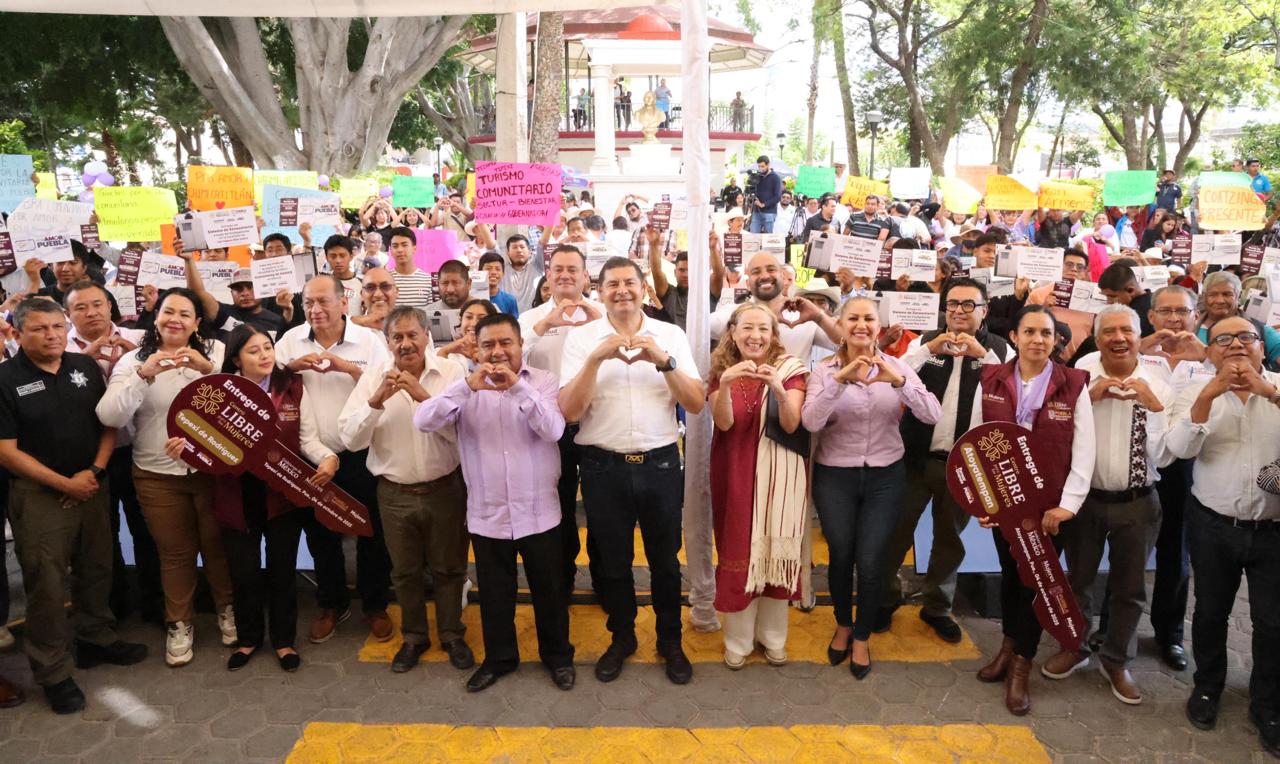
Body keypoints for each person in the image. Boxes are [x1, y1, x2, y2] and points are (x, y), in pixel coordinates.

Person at [559, 257, 704, 685]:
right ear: (599, 291)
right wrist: (594, 360)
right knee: (613, 563)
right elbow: (569, 411)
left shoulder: (670, 335)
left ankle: (670, 640)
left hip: (661, 464)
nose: (622, 290)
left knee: (665, 561)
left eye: (629, 283)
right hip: (602, 466)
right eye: (613, 284)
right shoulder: (582, 339)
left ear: (644, 289)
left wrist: (664, 361)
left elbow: (695, 403)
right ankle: (622, 637)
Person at [0, 298, 147, 713]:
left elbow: (108, 424)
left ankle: (95, 638)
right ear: (18, 333)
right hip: (39, 495)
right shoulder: (6, 379)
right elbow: (6, 451)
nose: (51, 335)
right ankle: (53, 672)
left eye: (57, 327)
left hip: (91, 483)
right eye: (39, 329)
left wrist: (95, 472)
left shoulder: (82, 367)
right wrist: (65, 483)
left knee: (97, 566)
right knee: (46, 584)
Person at [415, 313, 575, 692]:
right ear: (477, 350)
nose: (498, 352)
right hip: (487, 514)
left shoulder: (543, 382)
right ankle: (500, 659)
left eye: (506, 343)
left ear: (521, 346)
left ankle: (558, 657)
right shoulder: (463, 386)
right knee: (495, 596)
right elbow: (424, 420)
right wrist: (466, 388)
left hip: (539, 513)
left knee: (550, 593)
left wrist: (517, 389)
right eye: (488, 345)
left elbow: (553, 430)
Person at [171, 325, 337, 672]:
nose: (264, 355)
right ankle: (248, 639)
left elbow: (306, 440)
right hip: (235, 496)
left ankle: (284, 641)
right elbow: (202, 444)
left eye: (267, 347)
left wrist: (328, 458)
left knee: (282, 571)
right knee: (243, 572)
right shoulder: (218, 392)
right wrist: (183, 451)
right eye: (253, 350)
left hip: (282, 495)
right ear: (236, 359)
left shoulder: (291, 385)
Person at [96, 288, 237, 667]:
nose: (175, 319)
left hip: (213, 473)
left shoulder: (217, 352)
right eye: (168, 311)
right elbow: (109, 416)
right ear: (155, 317)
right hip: (156, 474)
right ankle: (179, 623)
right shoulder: (133, 360)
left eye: (185, 314)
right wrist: (143, 376)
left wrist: (208, 371)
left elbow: (243, 406)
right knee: (175, 554)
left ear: (197, 323)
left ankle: (228, 609)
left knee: (217, 546)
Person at [802, 296, 941, 679]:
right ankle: (842, 625)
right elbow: (811, 422)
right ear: (841, 325)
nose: (861, 325)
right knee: (841, 555)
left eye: (868, 319)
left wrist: (898, 383)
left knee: (870, 559)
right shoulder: (824, 371)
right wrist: (840, 381)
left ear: (879, 327)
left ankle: (862, 635)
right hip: (835, 476)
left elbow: (932, 414)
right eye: (853, 318)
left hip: (885, 477)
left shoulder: (897, 366)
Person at [1041, 305, 1171, 705]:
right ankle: (1075, 646)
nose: (1118, 338)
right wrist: (1087, 398)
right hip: (1086, 502)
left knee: (1130, 588)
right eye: (1109, 331)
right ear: (1096, 340)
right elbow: (1054, 429)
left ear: (1139, 335)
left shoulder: (1158, 380)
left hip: (1138, 501)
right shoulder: (1080, 374)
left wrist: (1153, 406)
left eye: (1126, 330)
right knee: (1078, 580)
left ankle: (1117, 659)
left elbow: (1166, 456)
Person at [970, 305, 1094, 716]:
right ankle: (1008, 648)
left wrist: (1067, 506)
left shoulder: (1073, 383)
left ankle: (1022, 663)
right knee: (1010, 578)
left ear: (1056, 340)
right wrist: (984, 500)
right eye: (1029, 332)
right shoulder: (991, 379)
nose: (1038, 340)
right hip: (1006, 505)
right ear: (1015, 337)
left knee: (1036, 585)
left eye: (1045, 333)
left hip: (1050, 511)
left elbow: (1084, 451)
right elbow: (975, 441)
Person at [338, 306, 474, 674]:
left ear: (427, 336)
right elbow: (350, 440)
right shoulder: (374, 377)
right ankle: (414, 637)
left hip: (445, 489)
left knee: (449, 569)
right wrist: (375, 402)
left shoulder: (451, 372)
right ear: (387, 342)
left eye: (412, 334)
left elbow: (466, 433)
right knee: (405, 572)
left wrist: (424, 397)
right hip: (394, 494)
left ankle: (452, 634)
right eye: (397, 337)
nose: (405, 343)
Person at [1166, 315, 1280, 757]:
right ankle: (1208, 686)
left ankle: (1267, 703)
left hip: (1273, 530)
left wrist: (1268, 392)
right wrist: (1206, 398)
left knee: (1272, 621)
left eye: (1246, 337)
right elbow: (1179, 449)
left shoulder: (1277, 387)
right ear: (1209, 351)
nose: (1235, 345)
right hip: (1213, 524)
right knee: (1211, 611)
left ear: (1262, 346)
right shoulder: (1196, 391)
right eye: (1223, 339)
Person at [881, 278, 1010, 642]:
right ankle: (884, 598)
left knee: (949, 539)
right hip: (915, 458)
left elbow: (1013, 389)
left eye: (969, 304)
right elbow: (894, 376)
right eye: (953, 304)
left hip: (966, 465)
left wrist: (983, 356)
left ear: (984, 311)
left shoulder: (999, 349)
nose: (959, 311)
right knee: (895, 531)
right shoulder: (926, 341)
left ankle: (937, 606)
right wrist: (927, 349)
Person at [274, 275, 395, 645]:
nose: (315, 309)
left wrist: (350, 369)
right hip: (313, 456)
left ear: (344, 302)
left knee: (372, 533)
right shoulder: (290, 341)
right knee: (321, 536)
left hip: (361, 453)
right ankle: (331, 603)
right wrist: (290, 369)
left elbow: (388, 387)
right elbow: (270, 387)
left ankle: (375, 604)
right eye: (309, 302)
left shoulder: (369, 341)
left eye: (323, 301)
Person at [708, 304, 809, 668]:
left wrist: (778, 388)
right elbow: (723, 423)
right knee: (739, 550)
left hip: (780, 480)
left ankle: (773, 637)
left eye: (763, 329)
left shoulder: (791, 369)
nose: (755, 336)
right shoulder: (720, 370)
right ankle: (738, 640)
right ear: (733, 332)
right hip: (734, 472)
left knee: (775, 550)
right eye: (747, 328)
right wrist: (726, 383)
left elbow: (792, 424)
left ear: (773, 334)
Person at [62, 280, 163, 622]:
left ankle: (155, 602)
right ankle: (113, 604)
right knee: (101, 537)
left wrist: (133, 360)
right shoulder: (61, 349)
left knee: (146, 529)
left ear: (109, 306)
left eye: (97, 304)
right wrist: (80, 363)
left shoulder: (141, 339)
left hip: (137, 448)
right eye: (80, 307)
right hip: (90, 458)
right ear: (68, 314)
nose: (91, 313)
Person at [519, 245, 603, 592]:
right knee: (558, 506)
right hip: (550, 429)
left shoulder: (604, 314)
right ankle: (563, 579)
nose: (565, 275)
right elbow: (511, 359)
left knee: (601, 507)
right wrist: (543, 326)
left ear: (585, 276)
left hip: (597, 425)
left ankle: (604, 580)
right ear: (549, 275)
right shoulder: (531, 319)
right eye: (558, 269)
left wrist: (601, 325)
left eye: (572, 270)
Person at [1196, 271, 1280, 368]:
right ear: (1204, 296)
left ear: (1239, 296)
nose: (1220, 300)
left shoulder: (1260, 330)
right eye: (1213, 295)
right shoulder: (1189, 328)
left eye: (1227, 294)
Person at [647, 229, 725, 332]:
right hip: (674, 342)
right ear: (675, 272)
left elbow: (718, 274)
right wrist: (653, 245)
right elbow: (656, 271)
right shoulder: (669, 294)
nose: (686, 275)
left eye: (690, 270)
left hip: (703, 342)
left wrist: (713, 248)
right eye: (682, 270)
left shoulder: (707, 294)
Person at [437, 298, 496, 369]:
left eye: (481, 319)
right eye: (469, 317)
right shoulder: (444, 352)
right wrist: (445, 351)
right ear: (460, 321)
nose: (474, 324)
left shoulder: (499, 354)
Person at [387, 227, 433, 308]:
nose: (400, 250)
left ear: (414, 248)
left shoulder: (428, 280)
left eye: (404, 245)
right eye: (395, 246)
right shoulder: (385, 281)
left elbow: (431, 312)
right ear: (390, 250)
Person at [499, 234, 545, 313]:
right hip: (507, 319)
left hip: (534, 317)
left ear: (529, 251)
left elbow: (542, 243)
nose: (519, 250)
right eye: (514, 247)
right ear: (508, 253)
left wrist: (550, 225)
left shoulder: (537, 266)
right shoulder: (501, 270)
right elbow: (491, 247)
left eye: (522, 247)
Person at [351, 267, 399, 332]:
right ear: (362, 294)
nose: (378, 294)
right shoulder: (351, 329)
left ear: (396, 292)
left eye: (385, 286)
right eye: (370, 287)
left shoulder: (410, 325)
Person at [323, 234, 363, 309]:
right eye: (333, 256)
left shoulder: (363, 284)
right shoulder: (322, 284)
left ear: (351, 256)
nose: (338, 261)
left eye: (342, 256)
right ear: (327, 258)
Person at [750, 156, 782, 234]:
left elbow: (777, 197)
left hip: (769, 212)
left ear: (768, 165)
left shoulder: (775, 177)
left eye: (763, 166)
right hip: (756, 211)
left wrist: (763, 204)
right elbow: (753, 191)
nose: (761, 168)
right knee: (753, 236)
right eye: (759, 166)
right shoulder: (758, 176)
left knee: (768, 238)